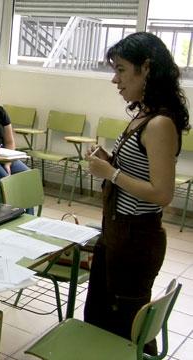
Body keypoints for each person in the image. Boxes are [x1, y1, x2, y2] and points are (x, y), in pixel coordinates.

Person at [83, 32, 189, 354]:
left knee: (124, 330)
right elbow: (139, 171)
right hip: (117, 230)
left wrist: (111, 173)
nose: (115, 80)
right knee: (99, 319)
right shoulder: (143, 115)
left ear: (146, 68)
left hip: (135, 238)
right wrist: (109, 161)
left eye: (121, 70)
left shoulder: (159, 123)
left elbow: (162, 193)